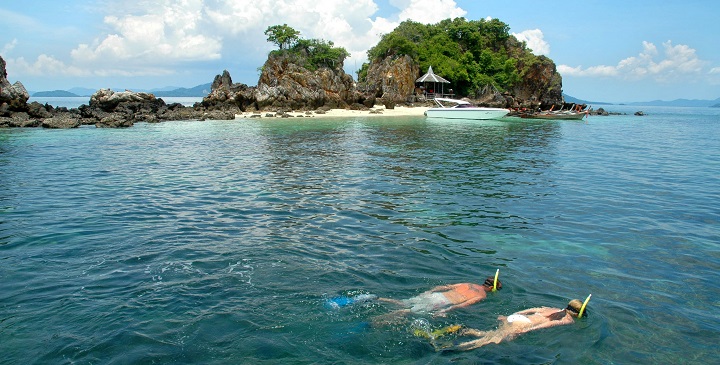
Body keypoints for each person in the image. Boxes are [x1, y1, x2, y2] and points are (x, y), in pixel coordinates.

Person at [449, 299, 587, 351]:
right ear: (578, 312)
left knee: (491, 334)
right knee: (493, 340)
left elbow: (535, 308)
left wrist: (510, 315)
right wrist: (526, 330)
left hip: (518, 317)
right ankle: (456, 347)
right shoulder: (568, 320)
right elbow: (545, 326)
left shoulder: (555, 309)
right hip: (524, 323)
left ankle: (465, 331)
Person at [376, 276, 502, 318]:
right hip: (442, 302)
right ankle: (381, 317)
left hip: (438, 295)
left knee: (402, 303)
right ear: (491, 288)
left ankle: (377, 298)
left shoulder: (468, 284)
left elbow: (446, 286)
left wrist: (429, 291)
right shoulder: (482, 295)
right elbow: (463, 305)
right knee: (408, 311)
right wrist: (445, 310)